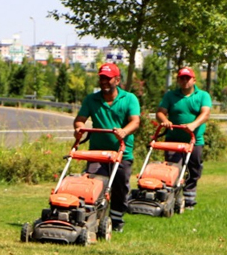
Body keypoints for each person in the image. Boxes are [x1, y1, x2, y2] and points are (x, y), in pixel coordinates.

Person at [73, 63, 142, 232]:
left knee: (120, 186)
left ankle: (117, 219)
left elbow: (135, 121)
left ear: (117, 80)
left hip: (122, 152)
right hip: (97, 152)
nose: (103, 81)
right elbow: (80, 119)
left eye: (107, 78)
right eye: (101, 78)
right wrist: (79, 128)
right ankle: (92, 217)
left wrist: (124, 131)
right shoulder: (92, 99)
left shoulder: (129, 99)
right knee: (94, 184)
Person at [156, 67, 212, 209]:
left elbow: (205, 114)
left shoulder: (203, 95)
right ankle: (172, 198)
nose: (185, 81)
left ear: (194, 80)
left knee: (195, 168)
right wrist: (165, 121)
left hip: (194, 139)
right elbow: (160, 112)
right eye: (182, 78)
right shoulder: (170, 96)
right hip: (174, 139)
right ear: (178, 80)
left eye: (187, 78)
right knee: (173, 169)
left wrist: (193, 125)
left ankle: (189, 197)